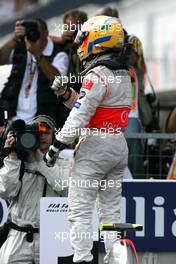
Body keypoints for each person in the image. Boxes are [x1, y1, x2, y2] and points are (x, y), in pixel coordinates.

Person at [44, 16, 132, 264]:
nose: (81, 44)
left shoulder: (97, 74)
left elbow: (81, 115)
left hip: (94, 148)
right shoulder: (125, 74)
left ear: (96, 39)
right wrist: (66, 94)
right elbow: (93, 110)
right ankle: (116, 260)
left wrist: (57, 145)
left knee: (80, 210)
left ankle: (82, 259)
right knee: (111, 211)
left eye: (84, 38)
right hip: (117, 147)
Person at [0, 114, 70, 263]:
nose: (42, 136)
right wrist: (11, 157)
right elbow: (6, 191)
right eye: (38, 132)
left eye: (46, 132)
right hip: (18, 233)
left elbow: (63, 187)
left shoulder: (65, 161)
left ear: (54, 136)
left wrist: (39, 158)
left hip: (51, 236)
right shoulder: (17, 158)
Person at [0, 18, 69, 129]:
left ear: (46, 33)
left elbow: (58, 81)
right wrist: (14, 39)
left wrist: (38, 54)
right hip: (12, 119)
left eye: (36, 32)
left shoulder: (58, 54)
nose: (33, 35)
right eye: (30, 32)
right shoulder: (21, 48)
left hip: (40, 123)